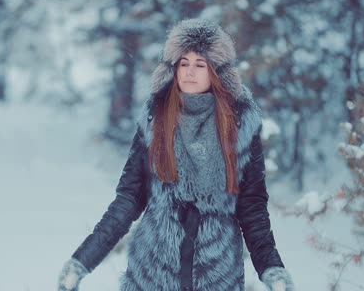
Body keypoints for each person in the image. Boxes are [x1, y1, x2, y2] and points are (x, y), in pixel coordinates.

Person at [57, 18, 295, 291]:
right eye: (184, 63)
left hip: (218, 275)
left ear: (216, 72)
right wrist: (82, 262)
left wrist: (273, 270)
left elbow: (252, 209)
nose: (189, 72)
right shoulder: (155, 119)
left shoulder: (240, 127)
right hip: (152, 274)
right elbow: (127, 201)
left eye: (199, 64)